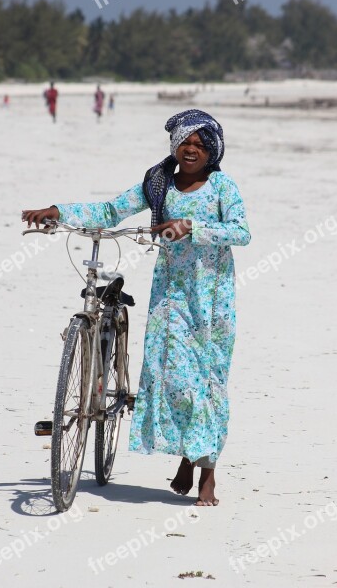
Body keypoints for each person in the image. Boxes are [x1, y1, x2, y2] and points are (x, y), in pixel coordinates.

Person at [22, 110, 251, 506]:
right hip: (170, 297)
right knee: (175, 380)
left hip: (213, 302)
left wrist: (192, 227)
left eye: (200, 144)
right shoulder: (159, 183)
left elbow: (242, 232)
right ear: (174, 145)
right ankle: (188, 453)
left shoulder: (222, 187)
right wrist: (59, 211)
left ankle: (205, 470)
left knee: (207, 381)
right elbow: (112, 211)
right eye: (185, 142)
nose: (191, 149)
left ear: (213, 150)